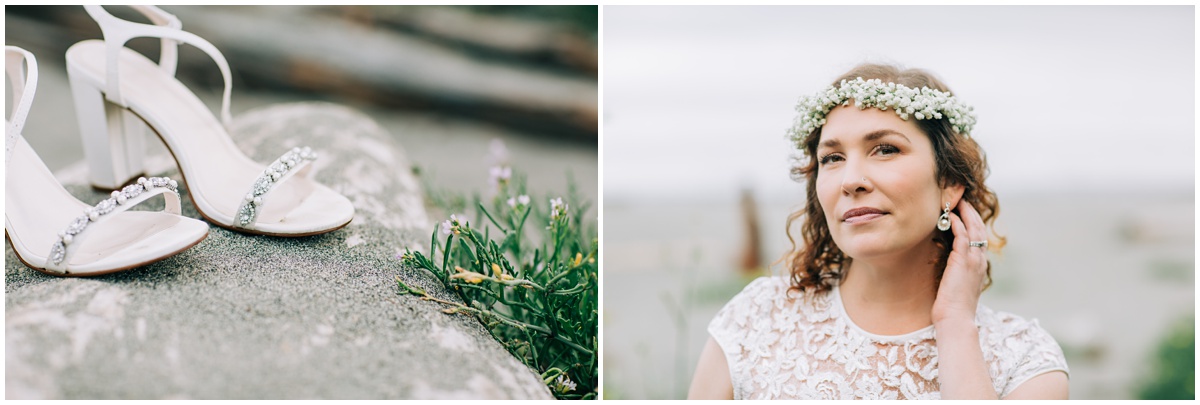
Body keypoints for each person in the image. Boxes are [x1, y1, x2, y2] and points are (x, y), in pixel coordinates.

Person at [687, 63, 1069, 400]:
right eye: (832, 158)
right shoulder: (754, 321)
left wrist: (954, 324)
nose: (850, 180)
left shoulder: (1026, 361)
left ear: (949, 181)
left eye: (885, 149)